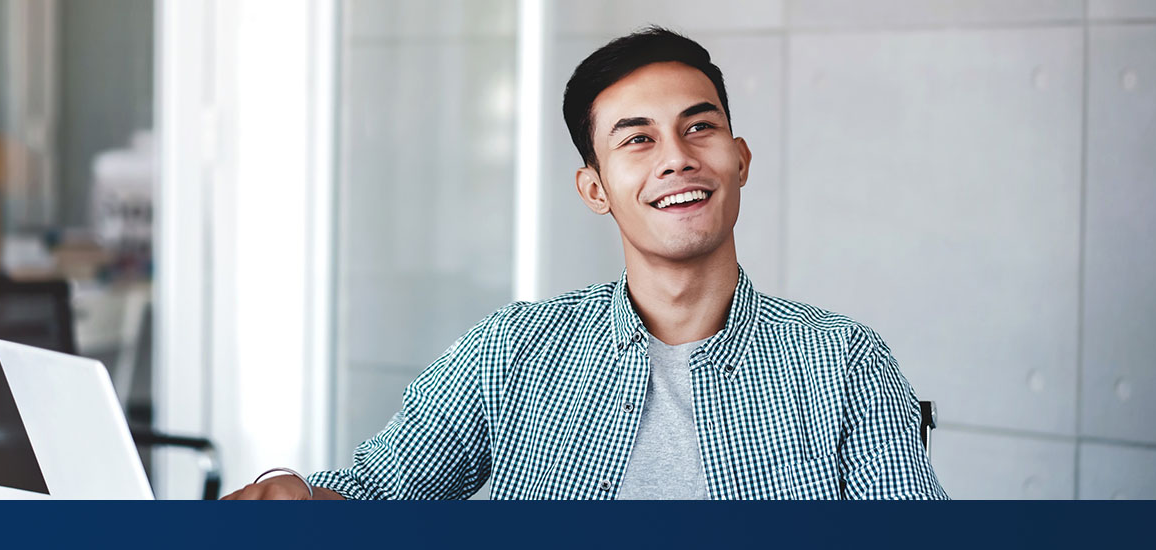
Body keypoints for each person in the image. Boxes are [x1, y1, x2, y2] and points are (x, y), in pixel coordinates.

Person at [223, 26, 947, 500]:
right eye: (637, 140)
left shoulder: (843, 363)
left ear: (739, 157)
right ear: (595, 188)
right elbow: (375, 492)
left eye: (700, 126)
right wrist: (296, 496)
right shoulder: (510, 353)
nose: (676, 157)